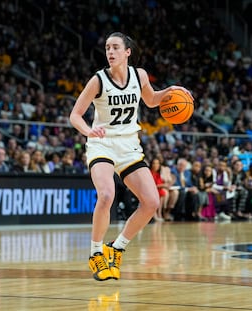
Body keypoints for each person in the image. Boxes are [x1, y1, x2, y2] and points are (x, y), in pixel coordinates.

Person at [69, 32, 192, 281]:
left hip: (129, 146)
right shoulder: (98, 80)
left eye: (115, 48)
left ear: (127, 52)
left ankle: (117, 248)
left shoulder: (140, 75)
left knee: (151, 202)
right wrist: (88, 130)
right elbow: (75, 115)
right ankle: (95, 253)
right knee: (106, 195)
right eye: (107, 48)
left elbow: (152, 100)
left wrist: (169, 91)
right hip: (102, 143)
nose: (110, 52)